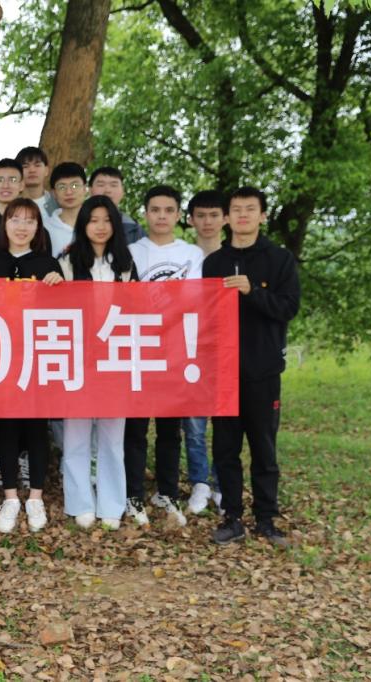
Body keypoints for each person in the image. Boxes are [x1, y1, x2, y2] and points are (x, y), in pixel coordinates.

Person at [204, 187, 300, 547]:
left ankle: (266, 519)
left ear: (262, 216)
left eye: (250, 209)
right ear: (227, 217)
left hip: (263, 370)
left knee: (263, 448)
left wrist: (252, 292)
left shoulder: (279, 259)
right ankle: (231, 517)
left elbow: (288, 308)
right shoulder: (214, 262)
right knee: (225, 449)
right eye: (236, 209)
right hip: (223, 373)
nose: (242, 215)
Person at [124, 185, 204, 528]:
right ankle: (133, 495)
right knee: (135, 429)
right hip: (136, 350)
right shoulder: (130, 251)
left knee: (171, 430)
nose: (161, 216)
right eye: (155, 210)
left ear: (178, 215)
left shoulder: (192, 254)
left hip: (175, 351)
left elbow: (196, 298)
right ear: (145, 213)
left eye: (168, 210)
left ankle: (168, 492)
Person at [58, 197, 137, 531]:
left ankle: (112, 504)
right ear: (83, 224)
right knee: (75, 436)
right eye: (93, 220)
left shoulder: (125, 263)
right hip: (78, 358)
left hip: (115, 359)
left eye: (106, 220)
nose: (100, 227)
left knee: (112, 437)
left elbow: (137, 308)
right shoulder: (66, 260)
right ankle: (80, 503)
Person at [0, 198, 64, 533]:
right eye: (15, 219)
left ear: (38, 228)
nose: (22, 227)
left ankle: (35, 497)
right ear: (4, 224)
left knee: (35, 427)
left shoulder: (48, 264)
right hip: (1, 358)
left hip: (38, 358)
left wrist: (59, 286)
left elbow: (66, 311)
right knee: (6, 426)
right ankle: (9, 497)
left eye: (29, 221)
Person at [183, 189, 227, 515]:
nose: (207, 221)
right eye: (201, 215)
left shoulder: (233, 258)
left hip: (225, 350)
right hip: (189, 349)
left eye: (214, 215)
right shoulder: (184, 257)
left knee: (225, 422)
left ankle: (222, 483)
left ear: (225, 219)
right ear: (190, 219)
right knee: (194, 425)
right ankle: (199, 481)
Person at [88, 166, 147, 245]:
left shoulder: (135, 231)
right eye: (101, 185)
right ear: (90, 190)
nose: (107, 190)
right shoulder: (75, 223)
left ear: (123, 191)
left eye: (114, 185)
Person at [44, 162, 86, 258]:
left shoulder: (98, 223)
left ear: (84, 189)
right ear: (54, 193)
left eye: (75, 185)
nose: (69, 192)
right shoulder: (44, 228)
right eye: (62, 187)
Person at [15, 146, 57, 215]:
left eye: (37, 165)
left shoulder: (57, 203)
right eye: (25, 166)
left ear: (46, 170)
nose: (32, 170)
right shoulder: (10, 203)